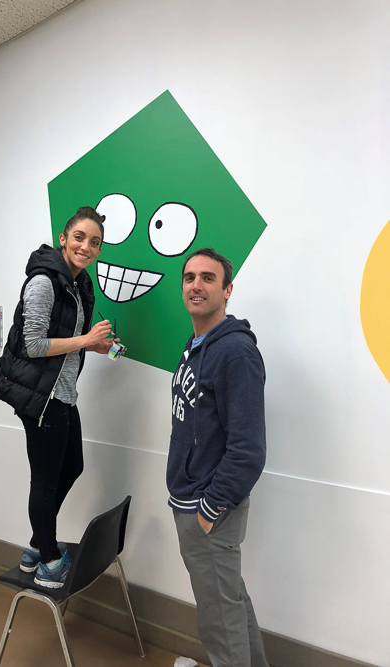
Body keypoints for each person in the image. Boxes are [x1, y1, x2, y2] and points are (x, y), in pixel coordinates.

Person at [0, 206, 115, 589]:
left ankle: (37, 543)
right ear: (64, 238)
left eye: (94, 242)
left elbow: (62, 342)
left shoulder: (78, 284)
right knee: (45, 481)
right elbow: (33, 345)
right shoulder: (45, 282)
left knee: (71, 467)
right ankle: (47, 560)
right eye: (79, 237)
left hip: (61, 393)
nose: (86, 246)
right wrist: (85, 340)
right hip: (41, 398)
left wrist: (94, 348)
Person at [167, 248, 269, 667]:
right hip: (193, 499)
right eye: (190, 277)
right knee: (229, 602)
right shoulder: (197, 345)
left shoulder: (235, 353)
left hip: (208, 509)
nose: (196, 285)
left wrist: (208, 508)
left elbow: (248, 450)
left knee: (218, 617)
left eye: (208, 278)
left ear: (227, 290)